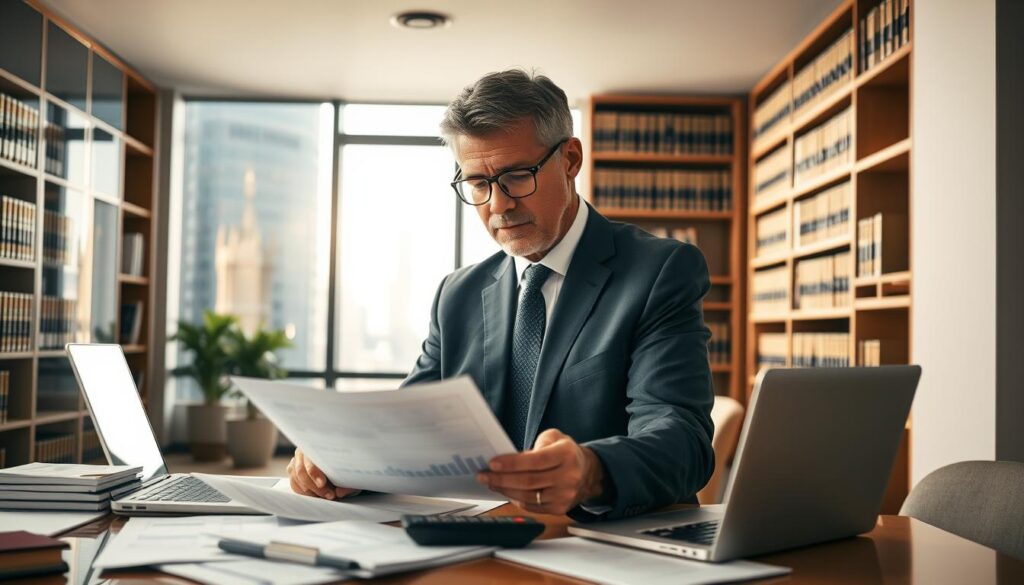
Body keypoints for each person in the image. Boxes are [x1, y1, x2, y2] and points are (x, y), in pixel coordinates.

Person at [288, 70, 715, 520]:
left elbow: (682, 441)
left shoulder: (659, 271)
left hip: (607, 543)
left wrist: (592, 470)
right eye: (478, 184)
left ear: (570, 159)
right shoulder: (457, 295)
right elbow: (406, 430)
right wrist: (338, 460)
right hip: (479, 540)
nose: (498, 205)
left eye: (516, 176)